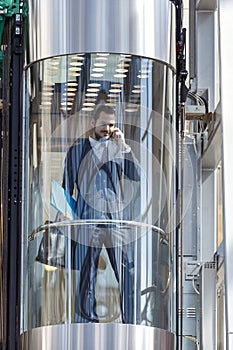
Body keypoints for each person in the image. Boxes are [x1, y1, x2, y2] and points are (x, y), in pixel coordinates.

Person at [62, 104, 140, 323]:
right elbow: (66, 186)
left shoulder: (117, 149)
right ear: (93, 122)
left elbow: (135, 176)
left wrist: (124, 147)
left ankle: (130, 321)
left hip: (115, 220)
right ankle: (87, 320)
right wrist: (66, 212)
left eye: (112, 124)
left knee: (127, 271)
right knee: (87, 274)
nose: (107, 128)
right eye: (104, 123)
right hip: (88, 220)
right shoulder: (77, 150)